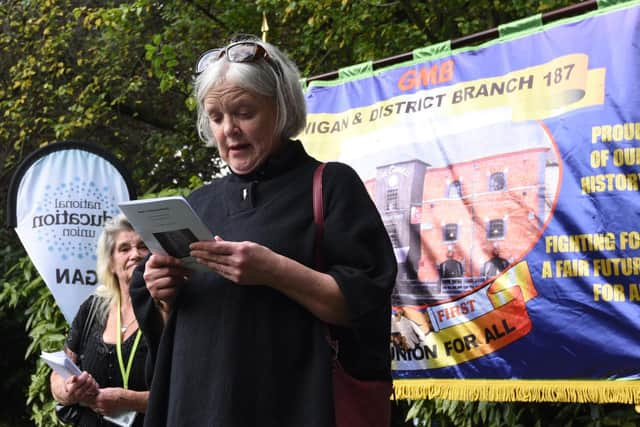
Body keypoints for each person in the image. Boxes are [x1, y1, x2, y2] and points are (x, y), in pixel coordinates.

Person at [129, 35, 397, 427]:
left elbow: (364, 305)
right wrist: (163, 295)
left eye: (243, 112)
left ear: (282, 108)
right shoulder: (196, 204)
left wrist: (272, 270)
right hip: (197, 407)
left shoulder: (330, 184)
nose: (228, 130)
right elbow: (171, 339)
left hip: (293, 405)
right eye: (216, 117)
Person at [50, 215, 150, 426]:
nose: (136, 254)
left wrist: (129, 401)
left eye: (143, 246)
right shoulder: (92, 308)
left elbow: (186, 393)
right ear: (111, 263)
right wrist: (69, 391)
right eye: (124, 249)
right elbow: (57, 376)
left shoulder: (169, 310)